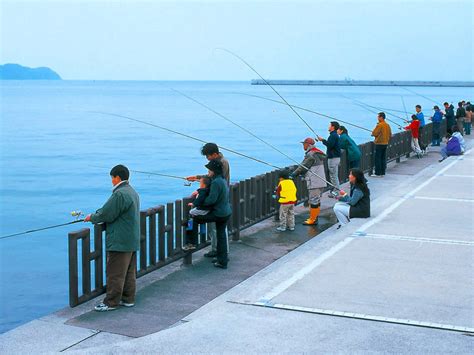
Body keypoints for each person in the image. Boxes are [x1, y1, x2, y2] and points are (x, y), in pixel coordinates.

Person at [84, 165, 140, 312]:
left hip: (119, 240)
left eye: (112, 178)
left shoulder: (119, 194)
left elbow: (106, 214)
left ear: (117, 177)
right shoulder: (132, 192)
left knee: (115, 273)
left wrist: (92, 217)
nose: (111, 181)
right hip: (131, 238)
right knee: (128, 271)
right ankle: (128, 299)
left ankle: (111, 302)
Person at [186, 143, 230, 258]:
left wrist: (200, 194)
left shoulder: (222, 164)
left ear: (214, 154)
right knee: (215, 228)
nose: (207, 158)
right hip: (218, 200)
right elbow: (209, 176)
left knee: (217, 229)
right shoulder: (217, 164)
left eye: (208, 156)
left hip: (217, 201)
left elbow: (212, 179)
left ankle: (220, 252)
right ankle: (217, 250)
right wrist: (197, 177)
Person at [290, 137, 327, 225]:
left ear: (309, 145)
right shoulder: (318, 153)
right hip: (320, 180)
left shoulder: (310, 154)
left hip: (314, 181)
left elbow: (303, 166)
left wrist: (294, 174)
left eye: (304, 144)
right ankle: (315, 218)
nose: (303, 145)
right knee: (316, 200)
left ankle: (313, 219)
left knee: (313, 200)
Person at [317, 121, 341, 196]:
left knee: (333, 176)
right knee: (334, 175)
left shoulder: (333, 135)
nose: (328, 127)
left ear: (333, 127)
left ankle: (335, 192)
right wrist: (323, 140)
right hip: (336, 157)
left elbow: (330, 145)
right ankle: (336, 190)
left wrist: (322, 140)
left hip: (333, 158)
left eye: (330, 125)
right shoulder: (335, 135)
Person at [371, 112, 392, 177]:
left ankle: (377, 173)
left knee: (378, 158)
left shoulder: (380, 125)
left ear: (381, 117)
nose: (377, 118)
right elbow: (390, 134)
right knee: (383, 158)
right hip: (385, 143)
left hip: (379, 143)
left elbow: (374, 133)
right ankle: (383, 172)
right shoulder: (387, 125)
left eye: (378, 117)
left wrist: (373, 134)